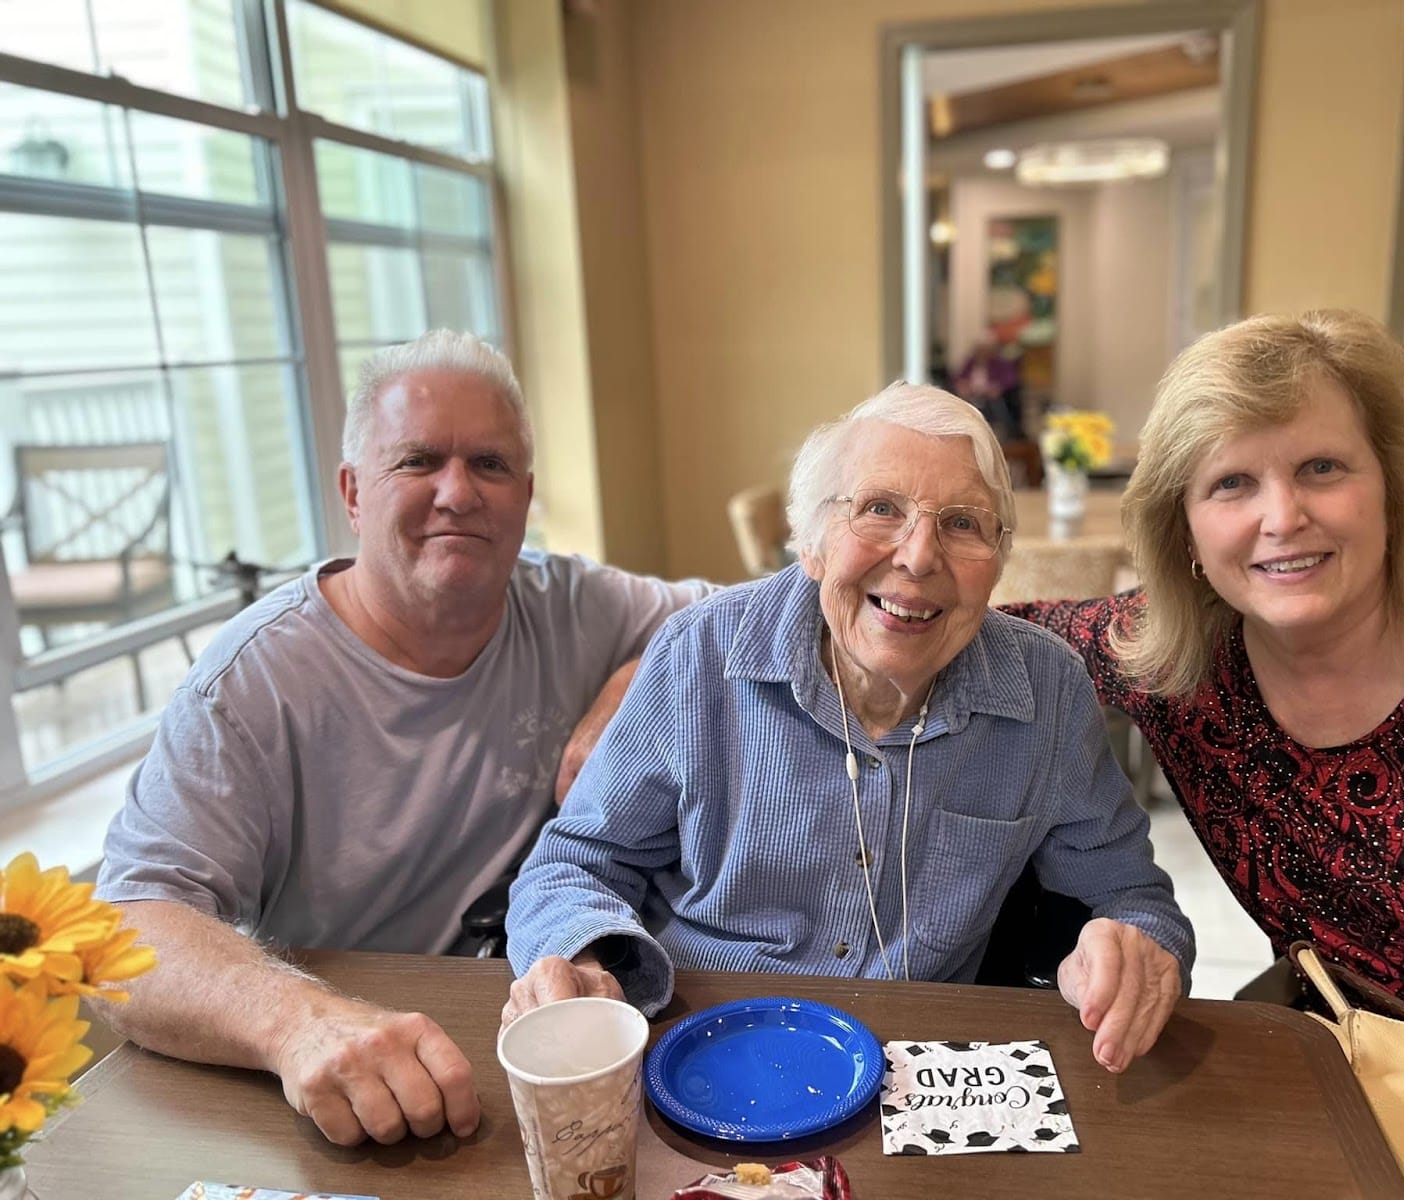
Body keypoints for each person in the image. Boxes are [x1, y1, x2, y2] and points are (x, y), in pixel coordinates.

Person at [1002, 308, 1404, 1192]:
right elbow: (967, 628)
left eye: (1322, 467)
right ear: (1188, 533)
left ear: (1390, 483)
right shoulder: (1174, 656)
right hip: (1334, 1059)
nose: (1283, 516)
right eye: (1232, 483)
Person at [95, 330, 710, 1148]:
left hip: (556, 1030)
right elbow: (121, 935)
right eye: (418, 461)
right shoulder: (252, 684)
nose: (457, 493)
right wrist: (300, 1024)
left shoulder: (571, 601)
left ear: (525, 495)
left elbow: (738, 619)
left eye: (489, 465)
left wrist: (631, 683)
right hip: (361, 1073)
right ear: (353, 492)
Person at [504, 382, 1194, 1076]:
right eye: (880, 509)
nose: (919, 557)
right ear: (810, 543)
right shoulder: (699, 656)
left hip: (917, 1074)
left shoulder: (1047, 691)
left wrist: (1132, 949)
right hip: (703, 1047)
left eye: (962, 523)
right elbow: (571, 864)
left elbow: (1133, 895)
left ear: (998, 562)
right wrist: (582, 959)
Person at [954, 337, 1023, 441]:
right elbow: (958, 379)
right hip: (971, 397)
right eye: (980, 350)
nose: (982, 353)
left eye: (985, 350)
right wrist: (963, 385)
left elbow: (1010, 381)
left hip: (993, 400)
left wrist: (997, 387)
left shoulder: (1002, 364)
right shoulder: (970, 363)